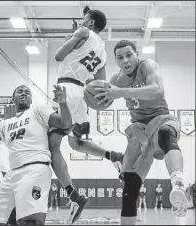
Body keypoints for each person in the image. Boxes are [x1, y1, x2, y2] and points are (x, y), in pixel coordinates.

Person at [74, 39, 190, 224]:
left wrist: (121, 92)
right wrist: (88, 95)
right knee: (130, 186)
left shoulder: (147, 66)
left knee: (166, 134)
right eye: (120, 57)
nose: (126, 60)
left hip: (160, 119)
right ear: (116, 61)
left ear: (137, 55)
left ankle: (178, 184)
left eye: (129, 55)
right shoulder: (115, 80)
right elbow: (102, 100)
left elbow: (158, 90)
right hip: (138, 130)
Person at [50, 7, 123, 224]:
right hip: (82, 96)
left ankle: (73, 196)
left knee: (53, 144)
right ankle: (113, 156)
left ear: (90, 23)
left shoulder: (82, 32)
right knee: (76, 142)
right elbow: (99, 82)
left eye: (84, 20)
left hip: (66, 90)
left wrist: (72, 37)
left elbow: (58, 55)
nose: (81, 22)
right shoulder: (103, 51)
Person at [0, 84, 72, 225]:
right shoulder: (5, 124)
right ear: (13, 99)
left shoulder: (37, 110)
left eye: (27, 92)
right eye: (19, 91)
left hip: (35, 168)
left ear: (31, 99)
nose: (24, 93)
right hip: (12, 173)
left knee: (30, 221)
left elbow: (65, 122)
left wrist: (62, 103)